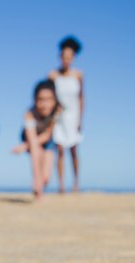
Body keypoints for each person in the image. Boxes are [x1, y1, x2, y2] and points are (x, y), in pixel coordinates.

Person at [48, 36, 84, 193]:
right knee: (60, 150)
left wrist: (80, 119)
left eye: (69, 57)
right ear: (60, 57)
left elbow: (82, 97)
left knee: (74, 150)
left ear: (73, 58)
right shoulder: (52, 75)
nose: (66, 60)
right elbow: (46, 95)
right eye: (64, 57)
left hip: (73, 115)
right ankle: (61, 185)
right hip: (58, 115)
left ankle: (76, 183)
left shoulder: (78, 75)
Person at [13, 80, 60, 199]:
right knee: (37, 158)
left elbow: (47, 135)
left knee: (46, 177)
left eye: (49, 99)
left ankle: (39, 185)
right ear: (34, 100)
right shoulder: (30, 114)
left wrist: (24, 146)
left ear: (55, 99)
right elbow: (34, 145)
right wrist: (36, 177)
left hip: (48, 141)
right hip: (31, 139)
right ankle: (38, 191)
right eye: (41, 99)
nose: (45, 104)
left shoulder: (57, 111)